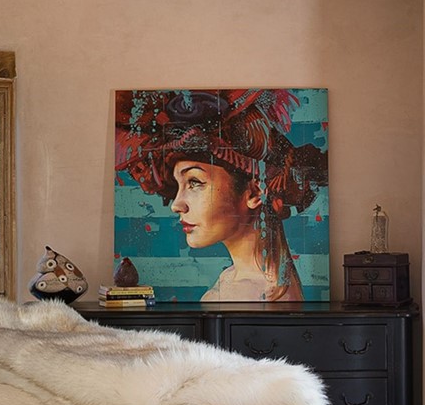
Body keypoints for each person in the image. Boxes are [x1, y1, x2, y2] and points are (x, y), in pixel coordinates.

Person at [116, 89, 326, 302]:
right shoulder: (234, 280)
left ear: (255, 192)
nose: (176, 205)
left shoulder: (256, 294)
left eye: (195, 182)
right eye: (179, 186)